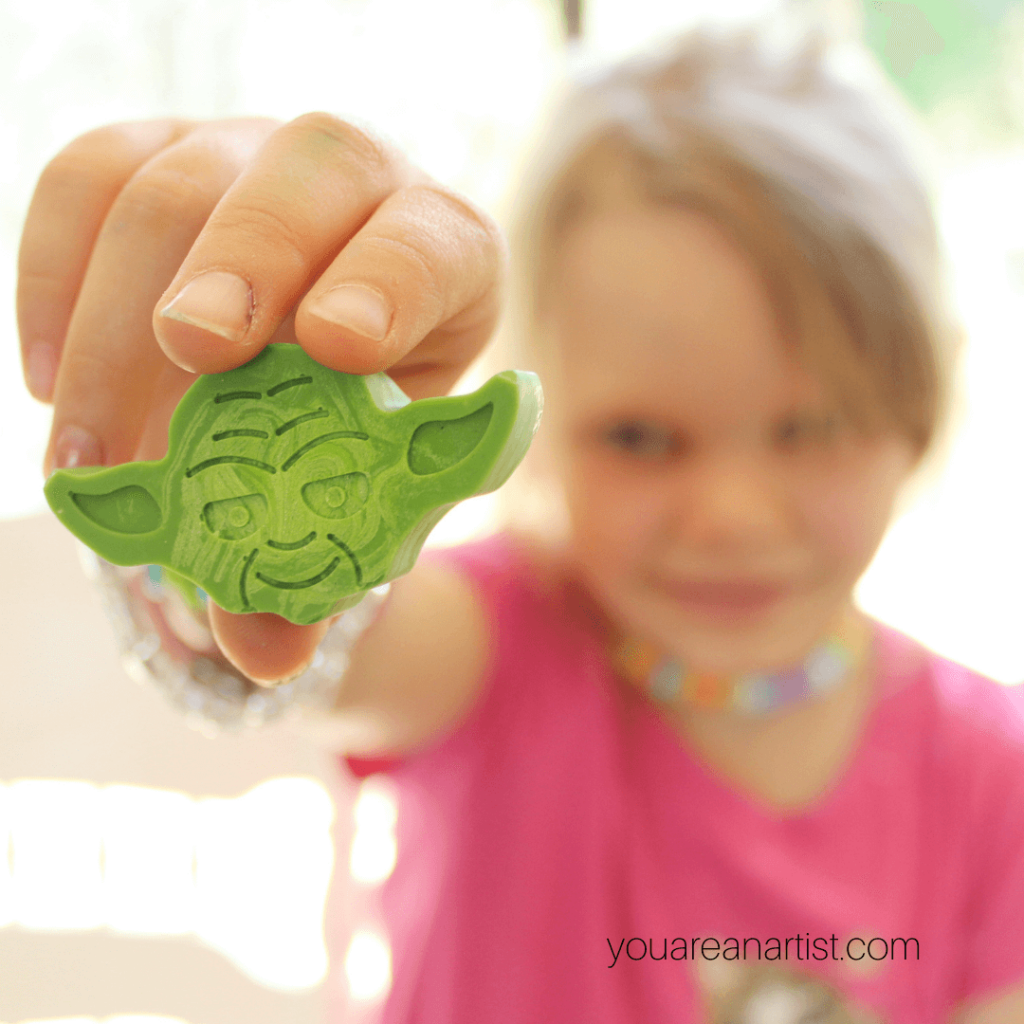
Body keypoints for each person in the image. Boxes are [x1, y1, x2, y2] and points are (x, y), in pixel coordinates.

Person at [16, 15, 1024, 1024]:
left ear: (920, 407)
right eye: (639, 437)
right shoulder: (492, 648)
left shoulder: (997, 783)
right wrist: (215, 469)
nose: (729, 514)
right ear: (536, 426)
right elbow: (316, 641)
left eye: (809, 427)